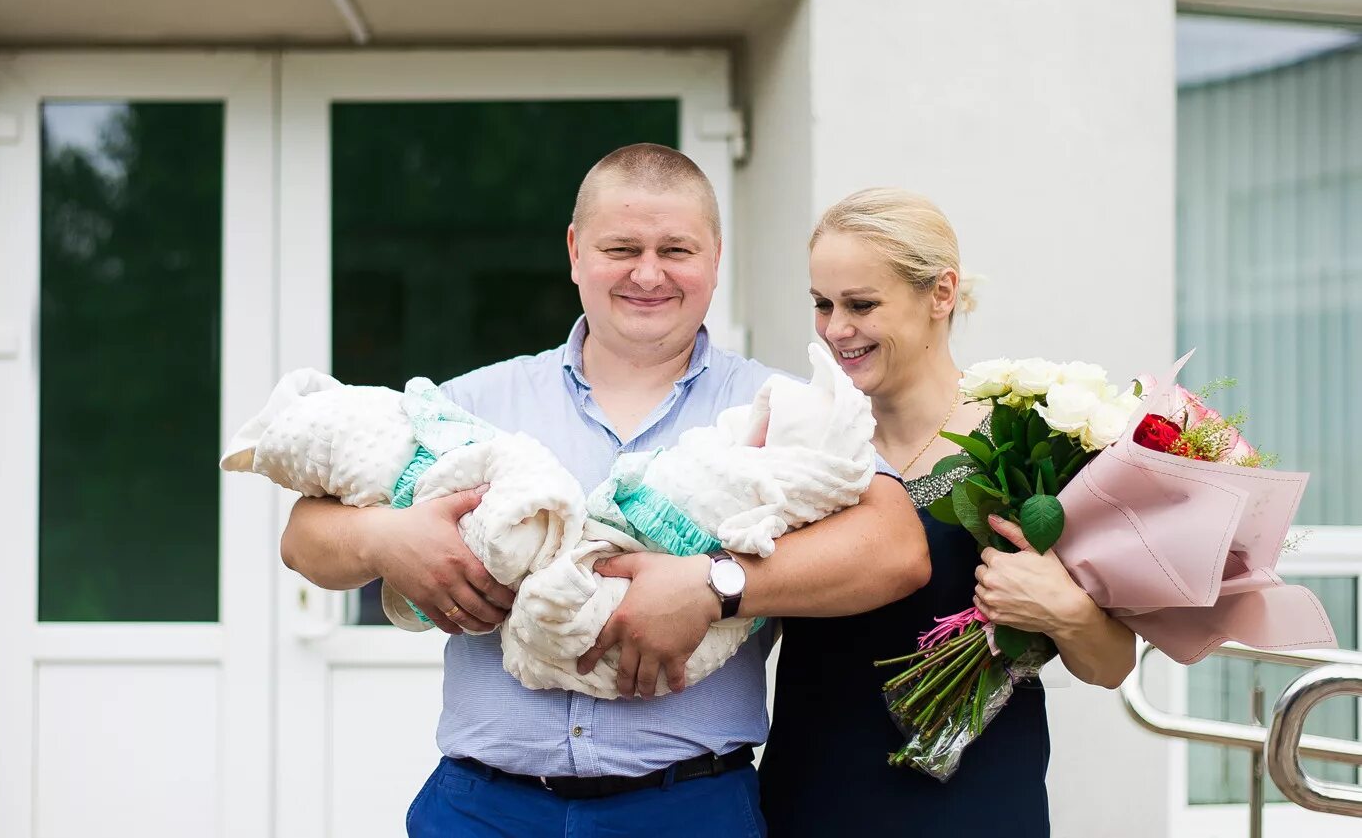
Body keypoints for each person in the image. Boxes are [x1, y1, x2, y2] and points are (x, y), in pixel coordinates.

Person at [279, 146, 930, 838]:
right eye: (622, 247)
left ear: (715, 256)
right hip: (481, 808)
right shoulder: (472, 403)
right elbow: (302, 538)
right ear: (575, 250)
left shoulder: (780, 409)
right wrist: (385, 537)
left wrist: (714, 585)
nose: (648, 273)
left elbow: (895, 548)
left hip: (688, 809)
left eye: (675, 249)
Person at [757, 188, 1136, 837]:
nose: (835, 329)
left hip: (976, 801)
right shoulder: (804, 442)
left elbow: (1111, 665)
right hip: (813, 790)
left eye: (861, 304)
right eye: (822, 304)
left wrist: (1065, 610)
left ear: (941, 294)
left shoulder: (1028, 447)